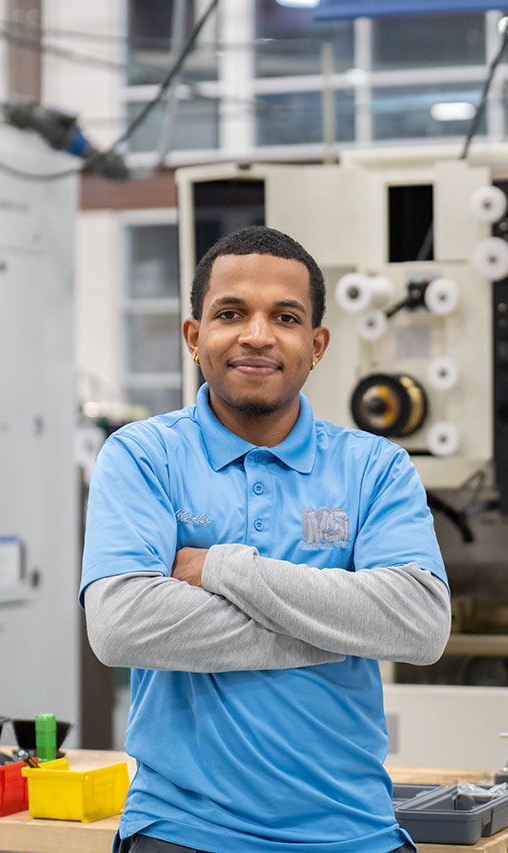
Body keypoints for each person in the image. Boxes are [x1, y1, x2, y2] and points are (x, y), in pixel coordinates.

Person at [81, 225, 452, 853]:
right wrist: (339, 629)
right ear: (194, 337)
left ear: (317, 344)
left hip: (354, 832)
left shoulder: (375, 466)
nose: (257, 335)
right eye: (231, 313)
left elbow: (419, 624)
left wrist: (227, 569)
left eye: (284, 316)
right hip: (182, 832)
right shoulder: (143, 455)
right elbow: (120, 626)